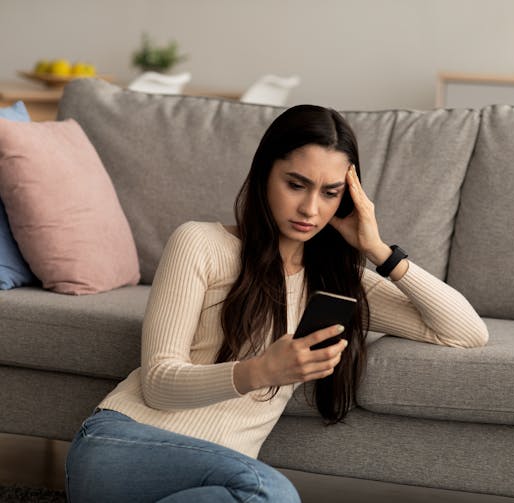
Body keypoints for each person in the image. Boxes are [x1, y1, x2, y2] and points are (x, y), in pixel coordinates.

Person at [65, 104, 489, 502]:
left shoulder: (338, 282)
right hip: (119, 446)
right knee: (270, 492)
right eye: (296, 184)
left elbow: (465, 331)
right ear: (265, 173)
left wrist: (378, 249)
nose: (310, 208)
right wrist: (261, 370)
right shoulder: (200, 243)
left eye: (330, 192)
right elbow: (158, 383)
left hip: (218, 483)